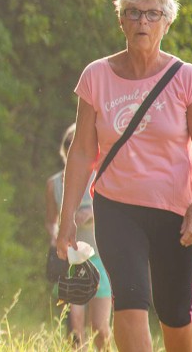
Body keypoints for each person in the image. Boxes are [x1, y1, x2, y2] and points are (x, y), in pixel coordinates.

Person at [56, 0, 192, 352]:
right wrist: (67, 220)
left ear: (167, 22)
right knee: (128, 302)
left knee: (175, 312)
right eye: (133, 13)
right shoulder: (96, 76)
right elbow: (82, 152)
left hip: (175, 210)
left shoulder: (186, 79)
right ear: (121, 21)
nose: (142, 21)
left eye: (152, 14)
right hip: (116, 207)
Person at [45, 124, 112, 350]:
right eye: (69, 144)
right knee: (75, 324)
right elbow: (50, 221)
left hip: (101, 257)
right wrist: (56, 236)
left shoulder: (102, 177)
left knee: (100, 327)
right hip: (72, 259)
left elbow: (117, 211)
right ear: (64, 149)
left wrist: (92, 213)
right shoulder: (54, 184)